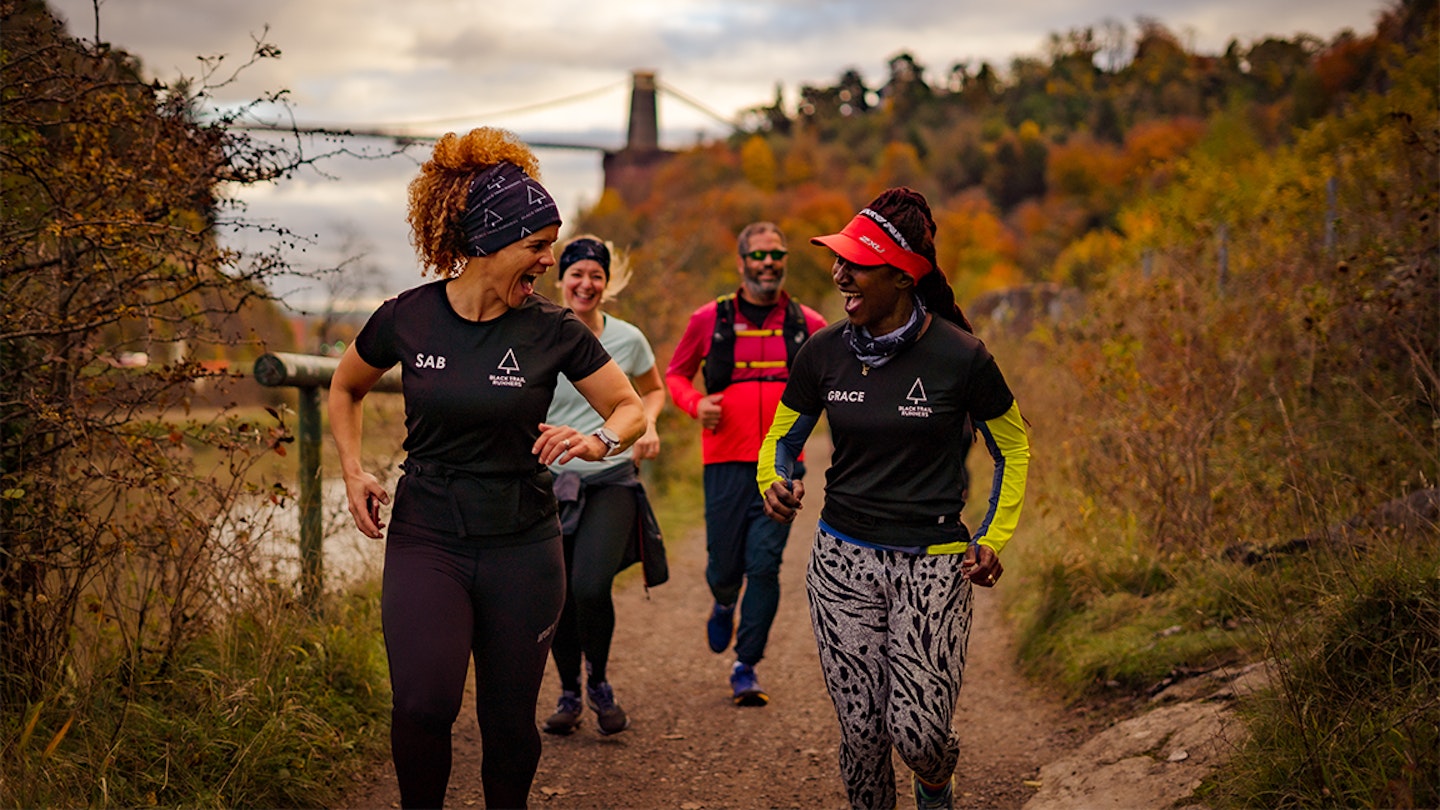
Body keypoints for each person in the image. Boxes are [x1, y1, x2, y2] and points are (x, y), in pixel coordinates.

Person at [328, 127, 646, 810]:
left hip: (523, 544)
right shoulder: (407, 318)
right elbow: (346, 385)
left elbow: (628, 409)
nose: (548, 261)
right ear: (487, 243)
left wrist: (598, 444)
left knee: (508, 726)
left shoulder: (553, 328)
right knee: (422, 704)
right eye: (537, 246)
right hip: (428, 535)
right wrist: (353, 470)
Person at [758, 187, 1030, 810]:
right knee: (862, 735)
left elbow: (1013, 450)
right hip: (842, 561)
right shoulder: (822, 352)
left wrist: (992, 538)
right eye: (838, 258)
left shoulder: (962, 358)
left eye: (856, 261)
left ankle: (936, 783)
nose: (839, 273)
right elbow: (783, 438)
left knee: (920, 734)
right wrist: (774, 481)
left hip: (933, 563)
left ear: (903, 275)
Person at [665, 222, 827, 706]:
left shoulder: (809, 324)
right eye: (758, 255)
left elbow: (837, 379)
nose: (768, 263)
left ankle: (746, 665)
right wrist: (696, 404)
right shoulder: (708, 319)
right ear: (741, 263)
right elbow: (676, 375)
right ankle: (721, 599)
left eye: (777, 254)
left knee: (765, 565)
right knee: (725, 566)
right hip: (724, 464)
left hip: (782, 469)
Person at [538, 235, 666, 737]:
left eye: (596, 275)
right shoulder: (540, 335)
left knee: (591, 585)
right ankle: (569, 691)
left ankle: (599, 682)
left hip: (611, 477)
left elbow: (652, 389)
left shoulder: (628, 339)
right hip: (549, 481)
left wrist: (648, 423)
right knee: (559, 591)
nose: (585, 283)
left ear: (607, 283)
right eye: (577, 273)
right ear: (561, 279)